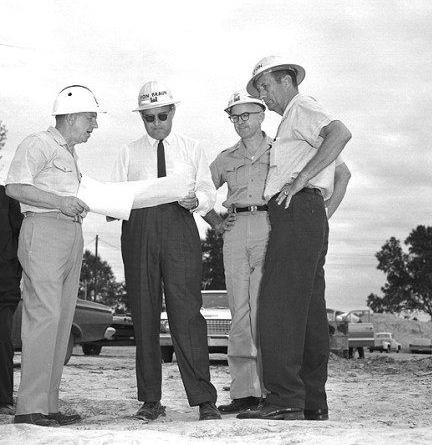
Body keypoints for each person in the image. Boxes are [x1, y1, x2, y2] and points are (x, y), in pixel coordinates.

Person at [237, 56, 352, 421]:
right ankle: (312, 400)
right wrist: (320, 209)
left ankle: (284, 396)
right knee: (309, 314)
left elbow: (340, 134)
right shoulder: (294, 119)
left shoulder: (302, 107)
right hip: (307, 213)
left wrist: (302, 180)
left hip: (297, 211)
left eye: (266, 87)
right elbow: (342, 170)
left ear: (286, 80)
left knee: (277, 307)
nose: (264, 97)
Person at [110, 81, 221, 421]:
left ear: (173, 111)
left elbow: (207, 191)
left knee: (187, 314)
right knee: (143, 313)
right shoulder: (128, 151)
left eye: (161, 116)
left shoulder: (192, 148)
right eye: (148, 118)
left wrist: (196, 200)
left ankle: (204, 399)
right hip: (139, 229)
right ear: (141, 118)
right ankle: (150, 400)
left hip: (180, 227)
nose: (156, 124)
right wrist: (107, 202)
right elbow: (114, 201)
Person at [5, 85, 102, 426]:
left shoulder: (69, 154)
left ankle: (48, 406)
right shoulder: (38, 143)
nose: (94, 125)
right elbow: (15, 187)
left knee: (61, 322)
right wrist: (60, 202)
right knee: (43, 317)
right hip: (43, 231)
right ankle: (29, 408)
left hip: (69, 233)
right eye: (91, 118)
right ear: (72, 116)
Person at [203, 89, 271, 414]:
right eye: (235, 116)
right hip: (235, 230)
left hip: (270, 228)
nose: (241, 122)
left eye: (246, 115)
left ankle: (271, 391)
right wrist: (216, 222)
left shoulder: (280, 151)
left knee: (265, 311)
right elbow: (200, 189)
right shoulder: (225, 158)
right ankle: (244, 393)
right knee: (239, 313)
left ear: (262, 114)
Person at [0, 185, 23, 416]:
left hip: (3, 288)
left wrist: (14, 276)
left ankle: (3, 399)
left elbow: (21, 240)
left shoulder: (8, 197)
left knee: (2, 341)